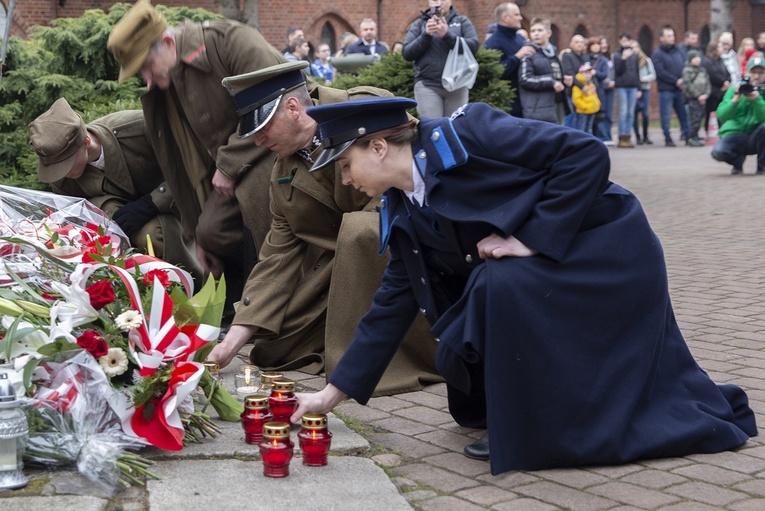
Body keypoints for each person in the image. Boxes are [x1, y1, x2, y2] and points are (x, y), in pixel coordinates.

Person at [292, 95, 757, 475]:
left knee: (499, 283)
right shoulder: (404, 207)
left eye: (346, 164)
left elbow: (585, 153)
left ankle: (533, 426)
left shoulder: (468, 131)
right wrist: (331, 395)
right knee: (491, 304)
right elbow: (393, 302)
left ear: (377, 146)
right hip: (555, 267)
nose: (346, 179)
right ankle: (529, 414)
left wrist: (530, 238)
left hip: (604, 250)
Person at [208, 62, 442, 394]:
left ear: (292, 108)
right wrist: (232, 342)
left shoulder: (363, 107)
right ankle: (342, 338)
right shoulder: (281, 171)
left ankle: (381, 356)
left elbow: (415, 171)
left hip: (401, 249)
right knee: (274, 348)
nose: (258, 140)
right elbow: (277, 256)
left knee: (359, 231)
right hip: (335, 271)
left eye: (262, 128)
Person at [107, 0, 285, 320]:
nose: (146, 80)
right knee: (212, 232)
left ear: (167, 43)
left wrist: (229, 167)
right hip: (232, 174)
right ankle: (237, 302)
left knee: (256, 200)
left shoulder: (230, 41)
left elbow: (277, 102)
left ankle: (266, 306)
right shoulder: (165, 91)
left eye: (146, 67)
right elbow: (182, 170)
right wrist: (197, 236)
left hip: (279, 151)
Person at [28, 98, 199, 278]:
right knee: (101, 214)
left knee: (154, 235)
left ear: (85, 141)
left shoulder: (139, 128)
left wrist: (151, 203)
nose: (62, 172)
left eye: (66, 163)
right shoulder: (62, 177)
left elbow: (190, 168)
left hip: (179, 206)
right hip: (122, 224)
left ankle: (192, 281)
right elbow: (76, 215)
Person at [403, 0, 479, 119]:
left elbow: (473, 47)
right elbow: (407, 53)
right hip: (428, 84)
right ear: (429, 3)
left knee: (455, 127)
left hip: (457, 85)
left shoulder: (462, 21)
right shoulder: (419, 24)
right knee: (433, 128)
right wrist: (425, 35)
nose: (439, 3)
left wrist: (447, 35)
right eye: (434, 0)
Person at [711, 56, 765, 175]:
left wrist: (757, 100)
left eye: (761, 73)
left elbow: (763, 118)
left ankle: (762, 166)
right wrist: (735, 99)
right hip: (735, 134)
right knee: (718, 152)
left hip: (757, 136)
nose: (756, 76)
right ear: (746, 73)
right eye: (753, 72)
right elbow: (721, 115)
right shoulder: (734, 90)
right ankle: (737, 162)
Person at [483, 2, 536, 118]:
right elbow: (495, 72)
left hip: (527, 102)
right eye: (516, 15)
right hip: (508, 105)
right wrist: (517, 57)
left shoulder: (520, 38)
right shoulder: (492, 43)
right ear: (505, 17)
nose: (520, 18)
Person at [652, 26, 691, 146]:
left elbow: (686, 65)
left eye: (672, 35)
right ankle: (667, 137)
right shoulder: (657, 54)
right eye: (668, 36)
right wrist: (676, 81)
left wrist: (684, 79)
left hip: (680, 89)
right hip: (666, 90)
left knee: (684, 113)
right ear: (661, 38)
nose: (672, 38)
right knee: (666, 115)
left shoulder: (679, 51)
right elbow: (661, 72)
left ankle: (688, 135)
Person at [612, 33, 640, 147]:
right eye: (623, 40)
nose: (625, 42)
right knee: (623, 111)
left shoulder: (634, 55)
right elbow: (618, 71)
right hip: (622, 86)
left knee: (630, 112)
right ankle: (621, 136)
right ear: (619, 41)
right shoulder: (617, 55)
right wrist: (623, 59)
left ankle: (628, 136)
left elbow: (636, 71)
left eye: (627, 40)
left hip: (633, 86)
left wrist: (639, 87)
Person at [682, 50, 711, 147]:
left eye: (698, 57)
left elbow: (708, 83)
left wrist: (706, 94)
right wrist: (698, 96)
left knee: (700, 119)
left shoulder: (702, 70)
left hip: (703, 98)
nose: (697, 59)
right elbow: (688, 85)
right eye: (695, 58)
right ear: (690, 60)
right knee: (694, 119)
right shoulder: (687, 71)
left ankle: (695, 136)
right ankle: (691, 138)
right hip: (693, 99)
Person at [701, 41, 731, 134]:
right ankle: (709, 131)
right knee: (711, 111)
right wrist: (723, 82)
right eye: (720, 47)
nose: (722, 49)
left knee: (720, 112)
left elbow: (727, 73)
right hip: (713, 91)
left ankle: (720, 129)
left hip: (722, 91)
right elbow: (712, 74)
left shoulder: (720, 60)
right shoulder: (707, 61)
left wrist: (727, 81)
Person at [559, 35, 587, 128]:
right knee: (571, 116)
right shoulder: (567, 56)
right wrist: (582, 86)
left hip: (583, 94)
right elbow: (569, 73)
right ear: (571, 44)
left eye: (581, 42)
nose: (579, 44)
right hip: (571, 92)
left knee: (582, 118)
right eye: (576, 42)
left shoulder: (585, 57)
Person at [633, 41, 656, 145]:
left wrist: (643, 79)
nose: (634, 49)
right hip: (633, 89)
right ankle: (638, 137)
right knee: (634, 114)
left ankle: (646, 135)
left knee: (645, 113)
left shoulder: (646, 60)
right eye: (632, 48)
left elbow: (653, 75)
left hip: (645, 89)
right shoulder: (629, 61)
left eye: (636, 47)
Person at [597, 35, 616, 145]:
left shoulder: (611, 58)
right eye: (601, 43)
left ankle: (608, 136)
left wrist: (613, 82)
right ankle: (602, 136)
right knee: (601, 114)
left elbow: (615, 72)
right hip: (601, 89)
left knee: (609, 114)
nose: (603, 45)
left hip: (610, 88)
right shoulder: (597, 59)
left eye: (605, 43)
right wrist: (606, 82)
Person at [571, 62, 600, 134]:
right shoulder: (578, 85)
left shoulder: (591, 84)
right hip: (583, 111)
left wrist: (597, 104)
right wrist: (584, 107)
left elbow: (594, 95)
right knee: (582, 129)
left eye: (589, 73)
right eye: (585, 73)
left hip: (592, 110)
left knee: (589, 128)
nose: (587, 75)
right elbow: (576, 99)